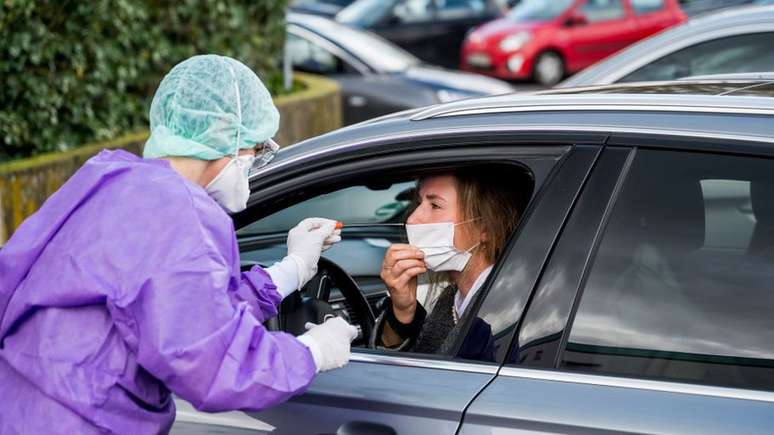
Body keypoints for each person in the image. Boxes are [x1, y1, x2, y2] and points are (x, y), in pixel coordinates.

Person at [0, 55, 357, 434]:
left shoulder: (108, 178)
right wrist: (313, 351)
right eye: (256, 150)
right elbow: (215, 365)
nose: (254, 162)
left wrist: (294, 267)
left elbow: (182, 311)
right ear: (230, 136)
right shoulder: (180, 216)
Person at [370, 168, 521, 358]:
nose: (412, 219)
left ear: (485, 227)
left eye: (435, 205)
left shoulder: (502, 311)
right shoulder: (451, 299)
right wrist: (402, 311)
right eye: (418, 202)